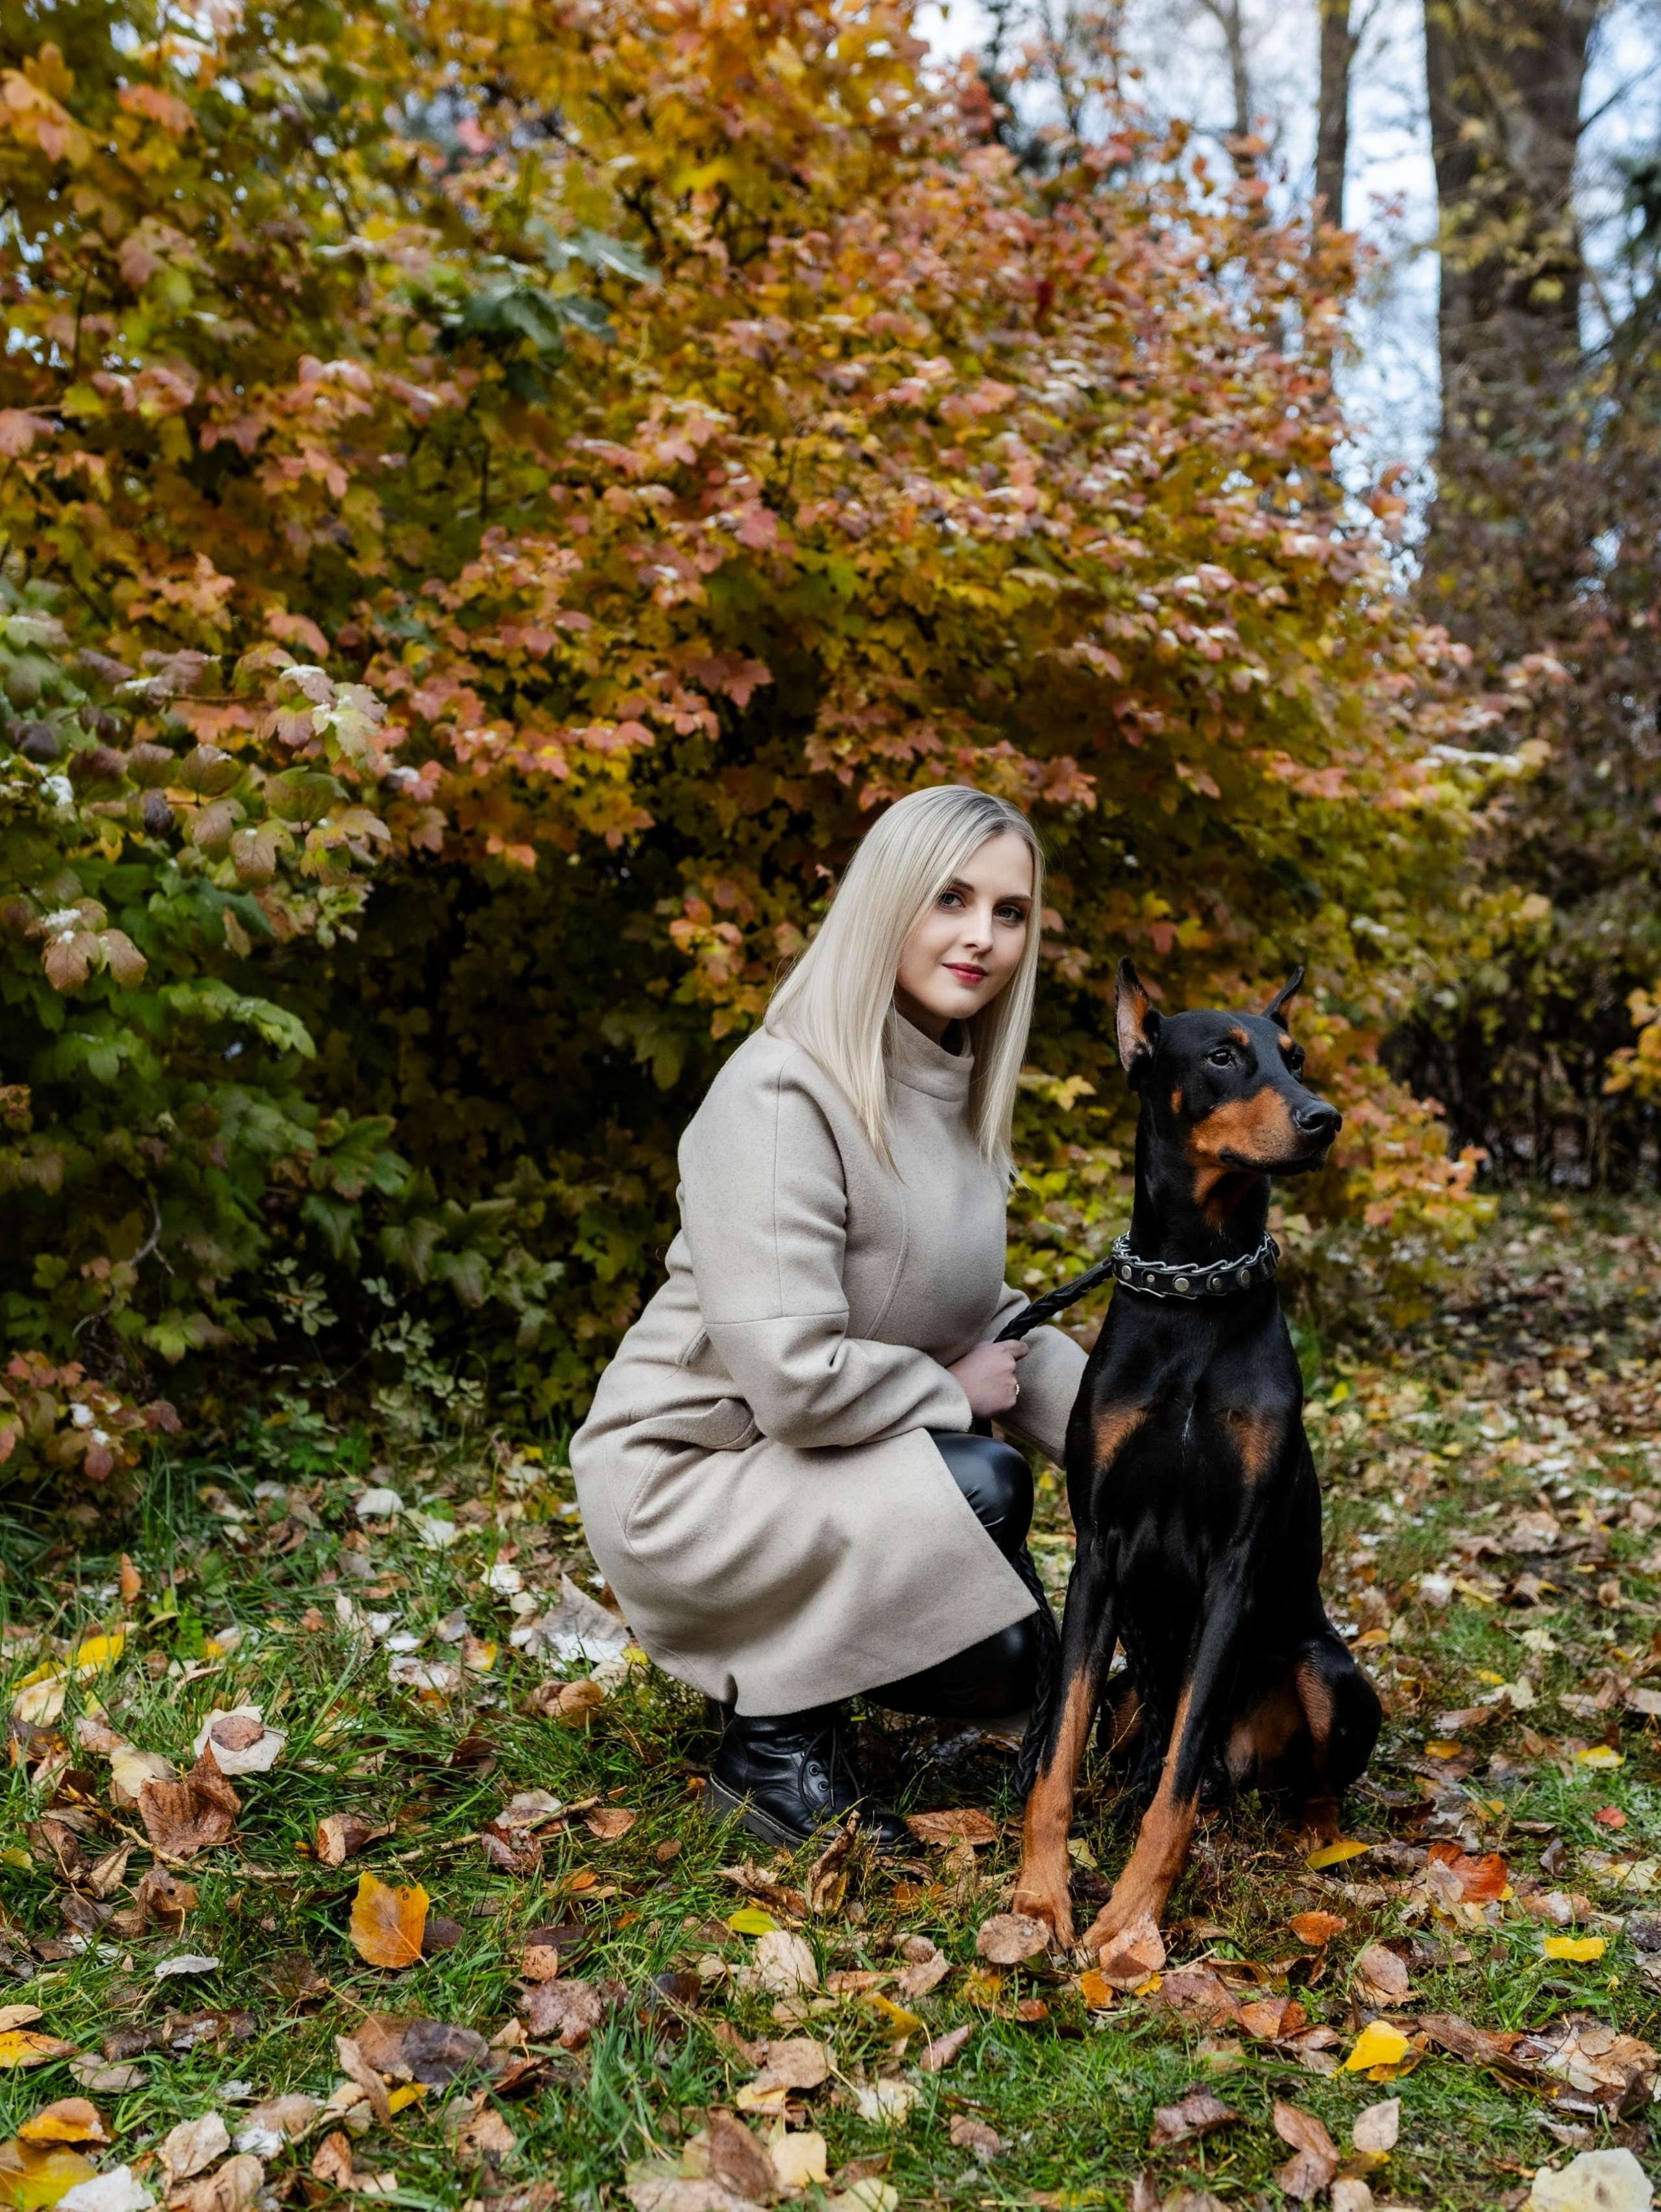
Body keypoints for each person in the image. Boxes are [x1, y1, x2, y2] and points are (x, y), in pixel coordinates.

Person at [570, 786, 1088, 1846]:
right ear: (887, 899)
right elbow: (795, 1376)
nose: (981, 937)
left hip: (810, 1468)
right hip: (688, 1482)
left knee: (1028, 1669)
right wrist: (948, 1393)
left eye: (1010, 911)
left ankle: (821, 1677)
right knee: (982, 1480)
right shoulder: (779, 1093)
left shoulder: (950, 1095)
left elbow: (980, 1317)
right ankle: (771, 1755)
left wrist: (1138, 1432)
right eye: (951, 897)